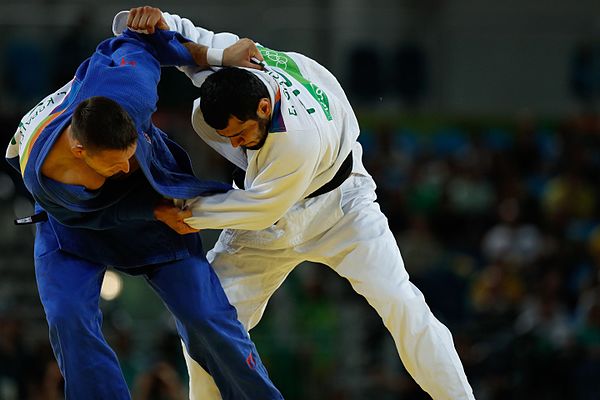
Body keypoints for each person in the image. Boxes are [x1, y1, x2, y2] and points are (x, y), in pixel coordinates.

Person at [116, 7, 475, 400]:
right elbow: (184, 36)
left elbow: (263, 208)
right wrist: (145, 19)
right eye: (227, 136)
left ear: (264, 109)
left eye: (240, 133)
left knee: (401, 304)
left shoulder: (296, 138)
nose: (234, 143)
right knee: (204, 321)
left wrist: (187, 214)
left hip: (341, 208)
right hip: (271, 206)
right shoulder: (236, 63)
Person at [5, 11, 283, 400]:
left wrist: (217, 56)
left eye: (129, 154)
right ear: (80, 152)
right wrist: (152, 211)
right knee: (69, 318)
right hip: (74, 224)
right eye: (114, 164)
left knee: (206, 316)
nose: (123, 167)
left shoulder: (129, 90)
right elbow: (99, 212)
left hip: (153, 194)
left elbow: (143, 41)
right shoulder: (44, 174)